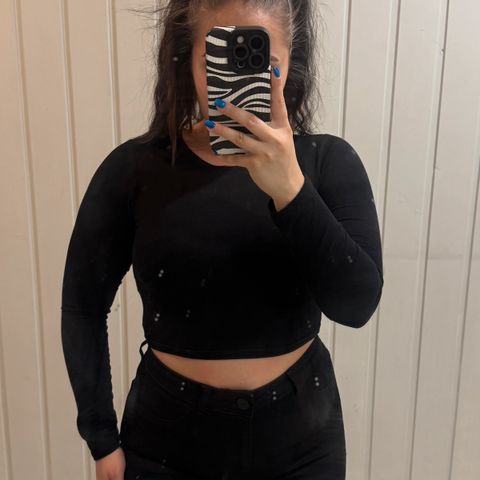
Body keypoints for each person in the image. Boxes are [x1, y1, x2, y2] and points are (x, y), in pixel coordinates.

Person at [60, 0, 384, 479]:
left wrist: (290, 190)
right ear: (189, 60)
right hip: (166, 441)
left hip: (301, 442)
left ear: (290, 63)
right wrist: (101, 438)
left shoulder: (327, 163)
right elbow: (82, 306)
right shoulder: (135, 169)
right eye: (217, 58)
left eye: (261, 61)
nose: (236, 78)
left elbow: (356, 306)